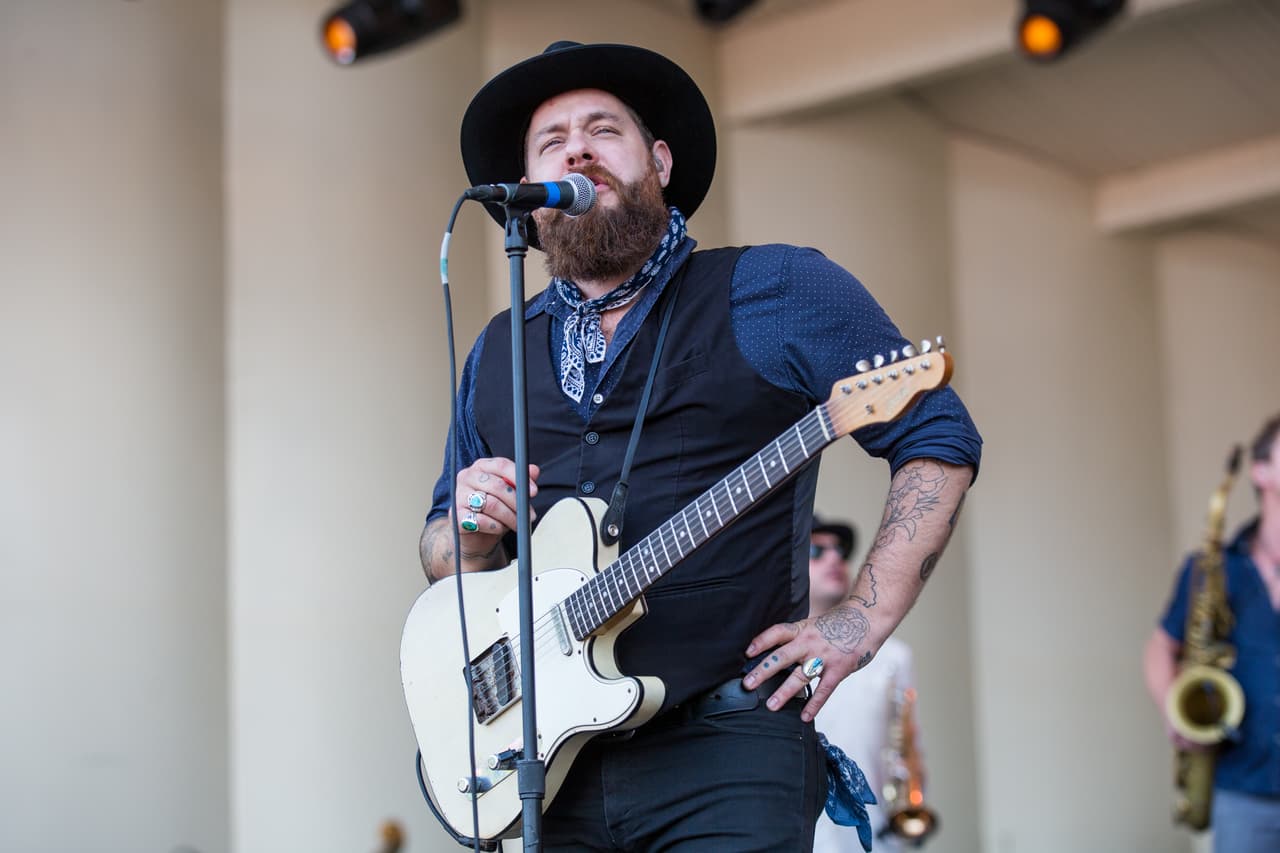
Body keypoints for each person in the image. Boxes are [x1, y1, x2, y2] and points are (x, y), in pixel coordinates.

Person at [419, 40, 981, 851]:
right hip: (548, 766)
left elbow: (938, 435)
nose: (576, 147)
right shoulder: (498, 349)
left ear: (660, 159)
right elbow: (443, 551)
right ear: (528, 204)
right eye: (551, 141)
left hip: (727, 747)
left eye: (602, 130)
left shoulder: (775, 288)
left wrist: (857, 623)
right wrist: (467, 530)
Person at [1143, 414, 1280, 852]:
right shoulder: (1210, 569)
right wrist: (1173, 711)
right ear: (1261, 471)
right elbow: (1161, 648)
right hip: (1242, 788)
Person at [809, 516, 925, 853]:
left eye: (840, 551)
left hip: (875, 839)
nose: (835, 558)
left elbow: (910, 748)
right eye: (816, 550)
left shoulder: (894, 657)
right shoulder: (772, 655)